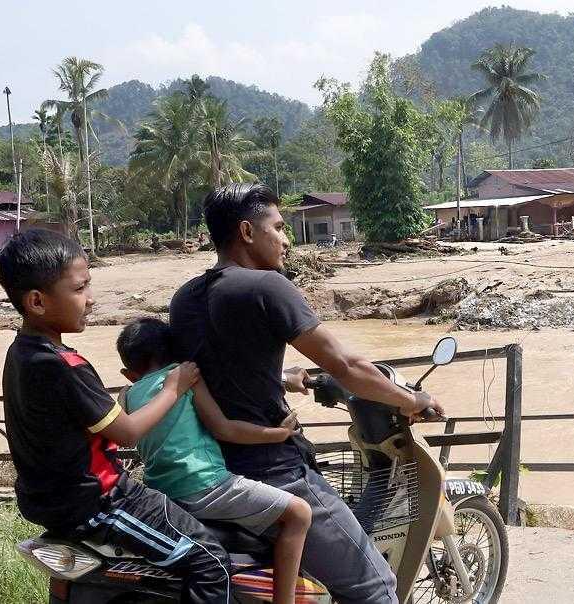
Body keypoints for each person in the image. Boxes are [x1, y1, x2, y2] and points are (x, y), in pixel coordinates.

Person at [170, 183, 444, 604]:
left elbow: (212, 370)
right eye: (279, 228)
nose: (286, 240)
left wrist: (281, 377)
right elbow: (346, 366)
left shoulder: (184, 299)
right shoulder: (267, 286)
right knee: (376, 587)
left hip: (209, 471)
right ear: (247, 232)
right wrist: (414, 401)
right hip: (273, 472)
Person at [0, 229, 230, 604]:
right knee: (210, 562)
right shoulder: (65, 365)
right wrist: (174, 387)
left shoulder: (20, 352)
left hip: (52, 502)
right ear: (37, 301)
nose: (90, 299)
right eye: (79, 289)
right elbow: (128, 432)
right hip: (102, 502)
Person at [116, 317, 312, 604]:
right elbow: (224, 429)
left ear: (127, 373)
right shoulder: (186, 378)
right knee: (299, 513)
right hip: (205, 484)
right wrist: (279, 434)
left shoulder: (127, 395)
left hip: (162, 492)